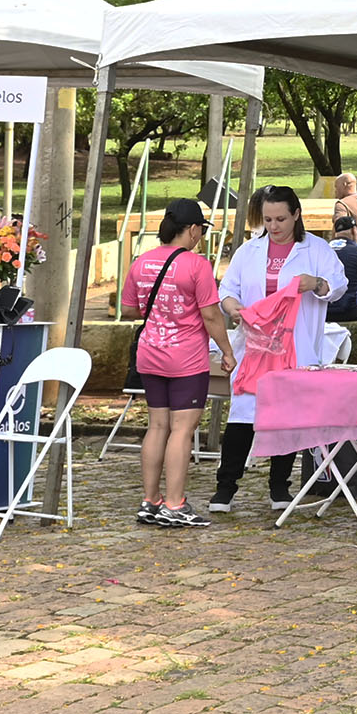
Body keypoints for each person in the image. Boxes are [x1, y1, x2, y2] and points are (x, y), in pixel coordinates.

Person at [213, 187, 344, 514]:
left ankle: (279, 486)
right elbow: (226, 291)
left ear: (296, 214)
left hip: (294, 346)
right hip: (256, 347)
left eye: (281, 219)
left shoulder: (316, 249)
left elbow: (337, 287)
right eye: (268, 219)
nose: (274, 226)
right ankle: (225, 487)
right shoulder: (249, 250)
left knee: (285, 416)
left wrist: (314, 283)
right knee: (242, 416)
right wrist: (234, 308)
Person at [126, 200, 227, 526]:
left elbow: (130, 309)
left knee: (157, 426)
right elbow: (211, 314)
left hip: (150, 354)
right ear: (193, 229)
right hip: (186, 359)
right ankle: (175, 503)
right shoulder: (197, 266)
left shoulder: (141, 262)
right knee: (182, 430)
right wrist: (227, 350)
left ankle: (150, 499)